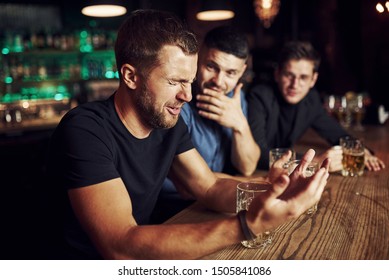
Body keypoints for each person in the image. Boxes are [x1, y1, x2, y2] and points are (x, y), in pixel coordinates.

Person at [46, 10, 330, 260]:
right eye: (174, 81)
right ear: (131, 76)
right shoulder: (85, 130)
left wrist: (275, 190)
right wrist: (247, 225)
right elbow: (120, 246)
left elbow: (207, 187)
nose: (187, 95)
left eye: (190, 81)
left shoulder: (166, 122)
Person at [154, 26, 260, 222]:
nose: (219, 81)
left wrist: (240, 125)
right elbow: (190, 186)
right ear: (199, 57)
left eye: (231, 73)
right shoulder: (177, 101)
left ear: (242, 71)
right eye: (211, 67)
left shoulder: (235, 98)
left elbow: (246, 166)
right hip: (173, 213)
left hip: (218, 205)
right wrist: (259, 185)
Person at [248, 41, 385, 172]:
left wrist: (361, 150)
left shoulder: (311, 100)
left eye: (303, 77)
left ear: (313, 80)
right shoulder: (259, 96)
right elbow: (257, 155)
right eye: (289, 75)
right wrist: (314, 162)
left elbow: (337, 134)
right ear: (277, 74)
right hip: (253, 176)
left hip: (284, 173)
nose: (295, 85)